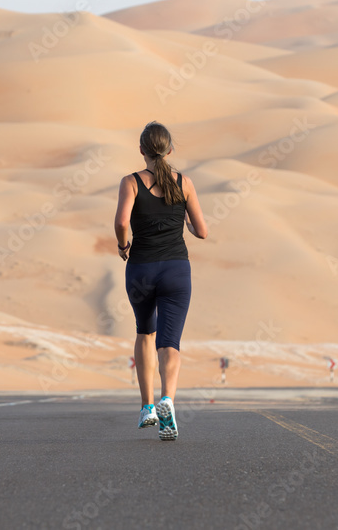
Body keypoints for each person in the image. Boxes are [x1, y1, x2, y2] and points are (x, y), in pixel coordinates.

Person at [114, 122, 208, 440]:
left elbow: (122, 221)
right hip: (176, 271)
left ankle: (147, 406)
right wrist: (184, 223)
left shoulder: (130, 182)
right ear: (170, 150)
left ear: (142, 150)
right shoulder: (184, 183)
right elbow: (203, 231)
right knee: (170, 342)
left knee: (144, 332)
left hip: (140, 268)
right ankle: (168, 398)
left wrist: (123, 244)